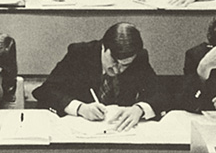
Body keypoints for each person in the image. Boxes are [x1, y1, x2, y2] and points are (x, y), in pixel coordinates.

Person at [33, 23, 165, 132]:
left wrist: (140, 109)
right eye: (114, 61)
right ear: (103, 47)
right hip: (80, 131)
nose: (117, 70)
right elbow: (46, 91)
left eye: (125, 65)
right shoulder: (80, 53)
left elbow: (160, 93)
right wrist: (80, 108)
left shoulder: (139, 58)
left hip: (119, 132)